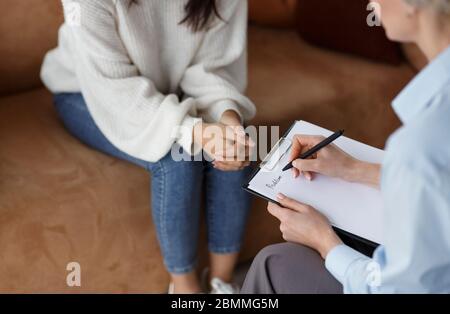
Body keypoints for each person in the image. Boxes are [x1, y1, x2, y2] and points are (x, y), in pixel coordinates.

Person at [41, 0, 256, 294]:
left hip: (169, 90)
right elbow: (115, 90)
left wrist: (227, 117)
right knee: (177, 158)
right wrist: (193, 130)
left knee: (237, 141)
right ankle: (184, 289)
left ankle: (222, 283)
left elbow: (212, 68)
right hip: (89, 92)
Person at [242, 0, 450, 294]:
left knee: (273, 263)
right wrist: (353, 169)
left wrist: (325, 242)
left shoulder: (418, 145)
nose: (371, 4)